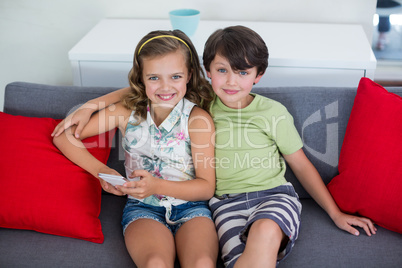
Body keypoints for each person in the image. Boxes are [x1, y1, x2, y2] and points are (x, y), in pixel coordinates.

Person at [53, 26, 377, 267]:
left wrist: (334, 213)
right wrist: (92, 107)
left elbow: (302, 165)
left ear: (258, 75)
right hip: (216, 204)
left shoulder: (254, 112)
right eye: (222, 71)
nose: (232, 81)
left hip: (255, 197)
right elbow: (158, 82)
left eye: (242, 72)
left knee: (255, 238)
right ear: (208, 74)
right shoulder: (204, 100)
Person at [53, 30, 218, 268]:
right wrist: (101, 170)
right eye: (153, 78)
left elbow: (206, 188)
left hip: (191, 208)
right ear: (141, 78)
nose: (165, 87)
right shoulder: (125, 112)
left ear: (189, 76)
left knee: (201, 263)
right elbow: (64, 137)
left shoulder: (197, 119)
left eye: (175, 76)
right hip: (143, 208)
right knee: (155, 263)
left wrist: (157, 185)